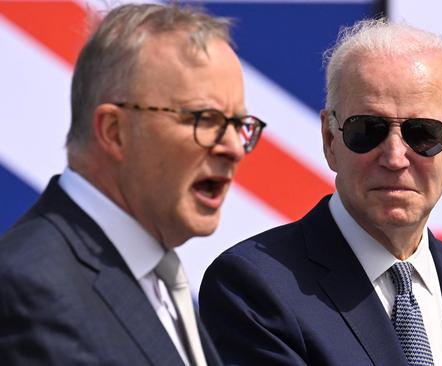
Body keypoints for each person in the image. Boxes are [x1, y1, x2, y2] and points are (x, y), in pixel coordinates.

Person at [200, 18, 442, 366]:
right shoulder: (254, 287)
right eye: (367, 130)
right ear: (330, 139)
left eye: (423, 134)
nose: (395, 157)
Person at [0, 3, 266, 365]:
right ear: (115, 132)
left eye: (239, 125)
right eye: (206, 119)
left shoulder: (158, 273)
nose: (235, 148)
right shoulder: (29, 290)